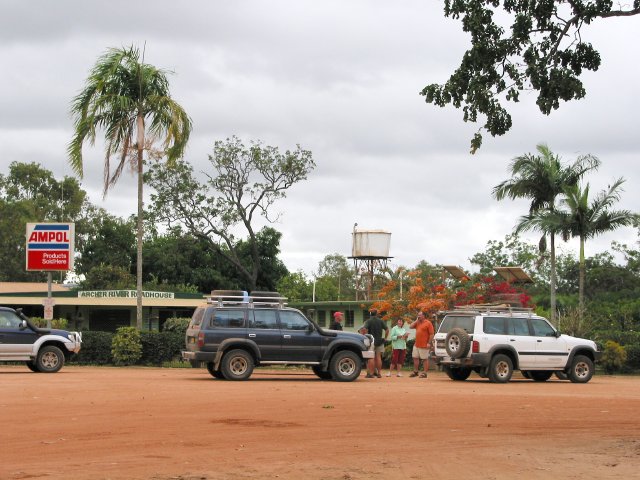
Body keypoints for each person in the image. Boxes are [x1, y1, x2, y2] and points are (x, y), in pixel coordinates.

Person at [362, 308, 389, 378]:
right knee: (378, 357)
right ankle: (379, 373)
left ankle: (371, 373)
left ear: (370, 314)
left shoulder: (368, 321)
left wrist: (364, 335)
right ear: (377, 314)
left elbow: (364, 329)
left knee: (371, 357)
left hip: (371, 341)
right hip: (379, 341)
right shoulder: (381, 321)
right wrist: (385, 338)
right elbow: (387, 329)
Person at [409, 311, 434, 378]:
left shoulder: (428, 323)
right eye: (418, 315)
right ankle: (416, 371)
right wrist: (416, 320)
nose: (418, 316)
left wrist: (429, 343)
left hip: (424, 344)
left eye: (420, 315)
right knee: (415, 357)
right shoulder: (417, 322)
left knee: (424, 359)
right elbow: (410, 327)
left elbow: (431, 334)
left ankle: (425, 373)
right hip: (416, 344)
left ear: (423, 316)